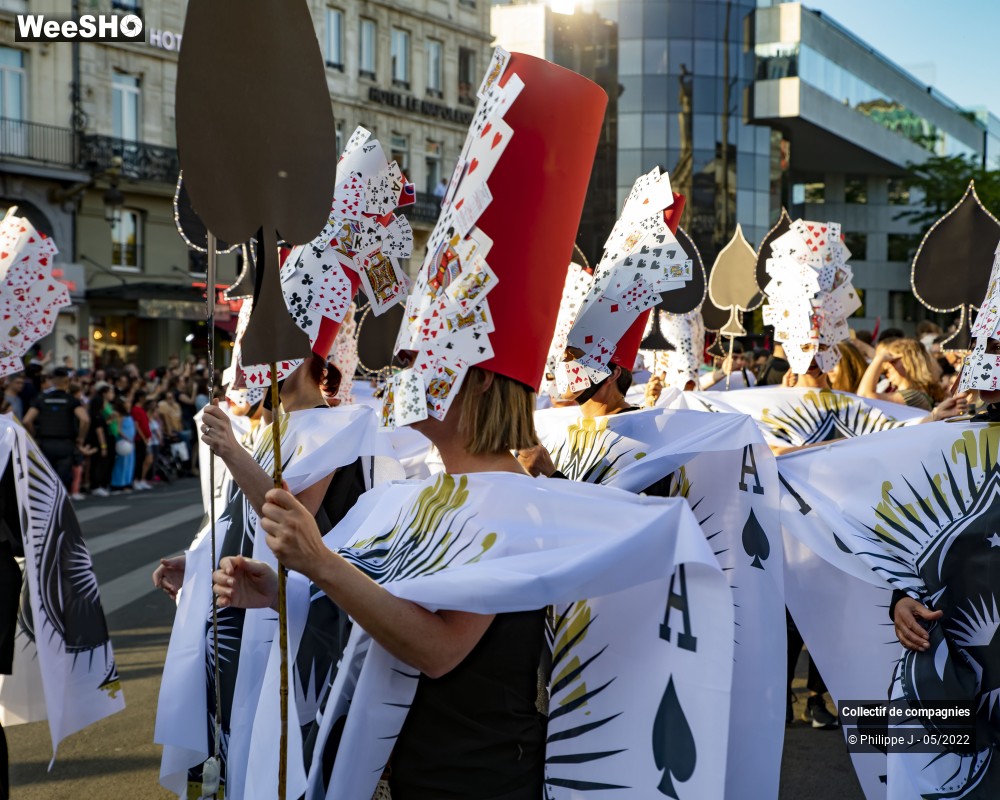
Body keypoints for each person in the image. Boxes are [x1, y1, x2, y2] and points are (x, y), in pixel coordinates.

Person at [21, 367, 90, 491]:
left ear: (53, 381)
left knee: (45, 479)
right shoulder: (71, 400)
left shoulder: (41, 399)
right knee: (61, 481)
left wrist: (34, 436)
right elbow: (85, 419)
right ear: (67, 381)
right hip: (65, 444)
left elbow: (26, 420)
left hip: (45, 443)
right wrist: (80, 438)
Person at [857, 337, 944, 410]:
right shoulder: (914, 394)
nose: (886, 366)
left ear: (909, 363)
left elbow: (864, 397)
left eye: (892, 361)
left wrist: (879, 359)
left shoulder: (914, 396)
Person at [85, 382, 115, 497]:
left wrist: (108, 421)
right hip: (98, 443)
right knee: (98, 464)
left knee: (99, 463)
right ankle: (95, 486)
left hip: (98, 441)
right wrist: (103, 446)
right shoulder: (97, 416)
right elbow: (99, 431)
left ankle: (98, 485)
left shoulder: (98, 415)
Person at [110, 397, 136, 493]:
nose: (129, 404)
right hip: (123, 443)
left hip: (130, 443)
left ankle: (127, 482)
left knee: (130, 463)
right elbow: (118, 429)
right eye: (127, 403)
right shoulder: (120, 416)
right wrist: (126, 437)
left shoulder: (128, 415)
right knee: (122, 463)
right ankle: (118, 484)